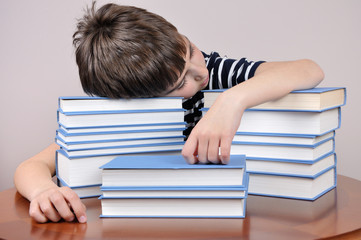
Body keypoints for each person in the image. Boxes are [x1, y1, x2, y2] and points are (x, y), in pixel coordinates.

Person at [14, 3, 324, 223]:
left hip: (238, 213)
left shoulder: (212, 71)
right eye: (180, 83)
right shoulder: (117, 114)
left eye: (189, 49)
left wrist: (231, 101)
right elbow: (32, 165)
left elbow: (309, 69)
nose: (199, 73)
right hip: (146, 221)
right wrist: (42, 191)